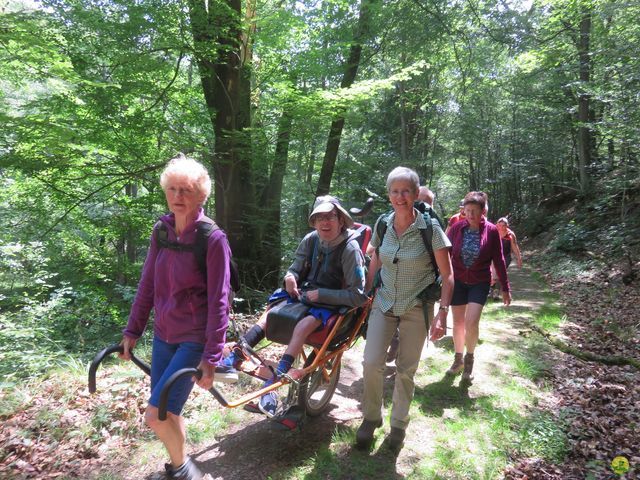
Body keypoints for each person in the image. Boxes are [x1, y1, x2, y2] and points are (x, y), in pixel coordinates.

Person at [119, 154, 231, 480]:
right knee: (169, 412)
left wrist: (211, 358)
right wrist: (133, 331)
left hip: (193, 340)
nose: (178, 197)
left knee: (155, 416)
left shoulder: (213, 240)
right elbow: (148, 284)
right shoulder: (162, 232)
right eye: (172, 189)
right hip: (164, 336)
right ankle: (178, 467)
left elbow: (219, 302)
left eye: (186, 190)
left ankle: (185, 472)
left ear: (201, 196)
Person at [221, 195, 367, 420]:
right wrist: (290, 277)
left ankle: (274, 381)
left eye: (330, 217)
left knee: (304, 325)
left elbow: (357, 295)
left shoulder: (351, 249)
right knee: (269, 314)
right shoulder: (311, 239)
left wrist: (322, 294)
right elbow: (295, 268)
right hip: (303, 295)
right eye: (319, 218)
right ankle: (234, 355)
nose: (324, 223)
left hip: (331, 303)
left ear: (341, 220)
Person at [357, 167, 454, 452]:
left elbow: (448, 275)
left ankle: (398, 422)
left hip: (417, 306)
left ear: (415, 194)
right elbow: (375, 258)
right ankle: (371, 418)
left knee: (405, 369)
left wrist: (442, 313)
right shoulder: (383, 224)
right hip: (384, 303)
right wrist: (368, 291)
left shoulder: (430, 228)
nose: (400, 197)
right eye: (395, 191)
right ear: (389, 194)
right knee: (371, 362)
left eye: (406, 191)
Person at [445, 192, 512, 382]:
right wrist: (443, 277)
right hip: (458, 281)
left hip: (479, 282)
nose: (471, 215)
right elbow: (446, 254)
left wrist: (505, 288)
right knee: (457, 323)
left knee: (471, 322)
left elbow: (499, 260)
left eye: (474, 211)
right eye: (467, 211)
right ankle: (458, 359)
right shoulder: (457, 228)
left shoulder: (491, 231)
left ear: (483, 211)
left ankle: (469, 361)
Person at [490, 217, 523, 297]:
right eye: (499, 225)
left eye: (503, 225)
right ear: (497, 225)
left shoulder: (510, 234)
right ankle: (493, 291)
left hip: (506, 257)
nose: (501, 227)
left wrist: (519, 258)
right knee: (494, 273)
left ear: (507, 226)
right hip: (494, 257)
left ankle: (496, 292)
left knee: (499, 272)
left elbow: (515, 247)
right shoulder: (493, 232)